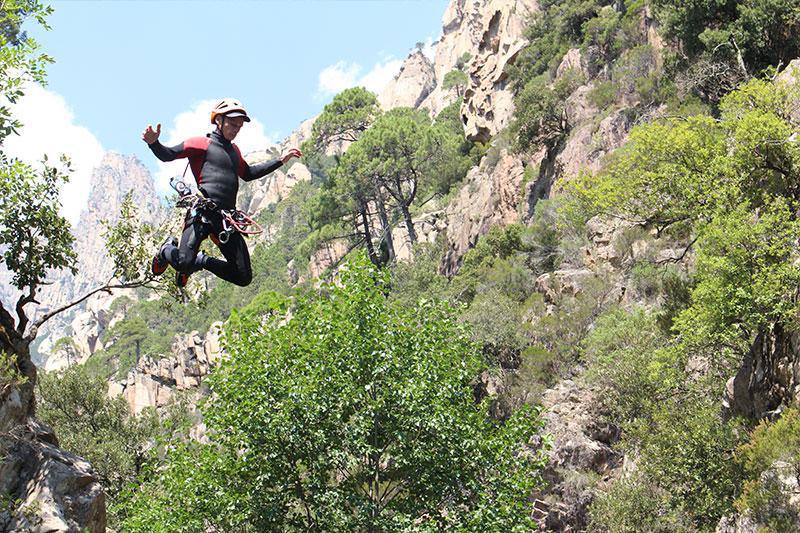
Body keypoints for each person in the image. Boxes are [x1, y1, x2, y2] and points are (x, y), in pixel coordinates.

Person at [142, 98, 302, 287]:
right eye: (232, 124)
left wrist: (280, 161)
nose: (236, 129)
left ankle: (201, 261)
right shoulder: (201, 143)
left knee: (243, 276)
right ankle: (166, 250)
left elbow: (248, 174)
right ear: (218, 120)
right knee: (184, 263)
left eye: (239, 126)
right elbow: (168, 154)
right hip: (202, 213)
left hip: (226, 218)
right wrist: (154, 143)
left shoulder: (235, 151)